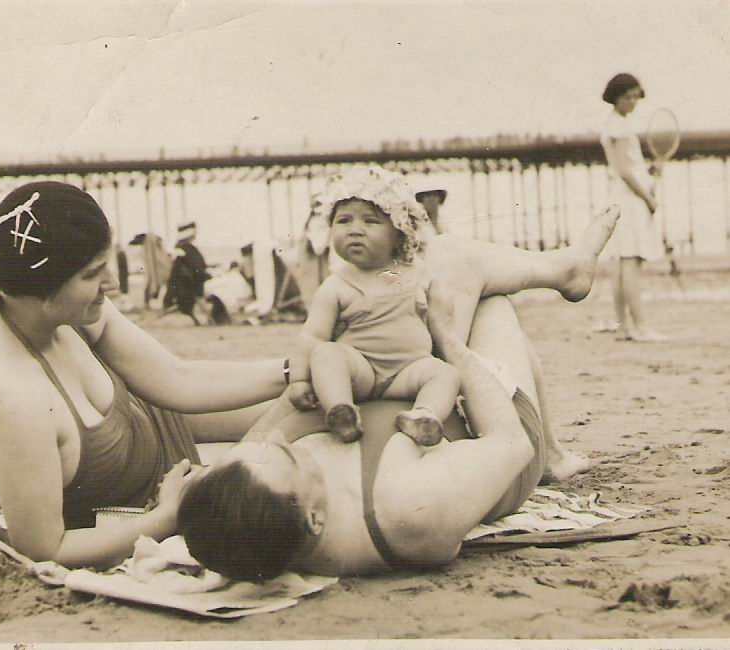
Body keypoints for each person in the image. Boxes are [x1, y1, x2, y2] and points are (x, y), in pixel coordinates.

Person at [0, 181, 289, 570]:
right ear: (45, 294)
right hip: (153, 507)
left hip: (172, 428)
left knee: (313, 396)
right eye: (94, 273)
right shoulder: (10, 397)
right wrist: (166, 517)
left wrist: (290, 370)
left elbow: (179, 379)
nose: (112, 283)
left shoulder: (72, 309)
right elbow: (45, 549)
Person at [179, 287, 596, 582]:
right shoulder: (407, 509)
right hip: (493, 417)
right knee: (489, 299)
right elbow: (510, 443)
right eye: (289, 456)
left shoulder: (244, 512)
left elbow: (264, 437)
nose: (278, 442)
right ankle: (553, 452)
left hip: (406, 385)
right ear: (314, 518)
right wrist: (448, 340)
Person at [286, 166, 618, 447]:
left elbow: (439, 317)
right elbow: (312, 337)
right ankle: (340, 409)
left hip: (408, 370)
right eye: (343, 221)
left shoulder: (417, 274)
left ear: (399, 233)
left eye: (370, 222)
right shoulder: (337, 284)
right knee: (327, 354)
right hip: (361, 369)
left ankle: (424, 415)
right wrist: (300, 380)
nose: (354, 230)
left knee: (444, 373)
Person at [599, 72, 668, 342]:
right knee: (630, 262)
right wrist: (648, 198)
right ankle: (640, 327)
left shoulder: (614, 123)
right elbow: (625, 172)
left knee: (621, 263)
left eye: (636, 97)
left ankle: (624, 327)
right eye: (628, 97)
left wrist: (650, 171)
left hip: (620, 198)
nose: (633, 102)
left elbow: (629, 168)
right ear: (615, 98)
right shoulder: (620, 126)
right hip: (629, 200)